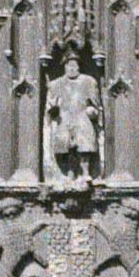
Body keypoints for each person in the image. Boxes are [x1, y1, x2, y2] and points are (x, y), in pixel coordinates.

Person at [45, 53, 102, 183]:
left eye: (74, 65)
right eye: (68, 65)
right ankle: (70, 172)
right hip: (64, 117)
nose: (71, 68)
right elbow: (50, 108)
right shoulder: (56, 84)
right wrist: (53, 108)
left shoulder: (89, 81)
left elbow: (96, 104)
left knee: (85, 140)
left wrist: (92, 110)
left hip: (82, 116)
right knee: (65, 143)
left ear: (79, 66)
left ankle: (86, 171)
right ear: (64, 67)